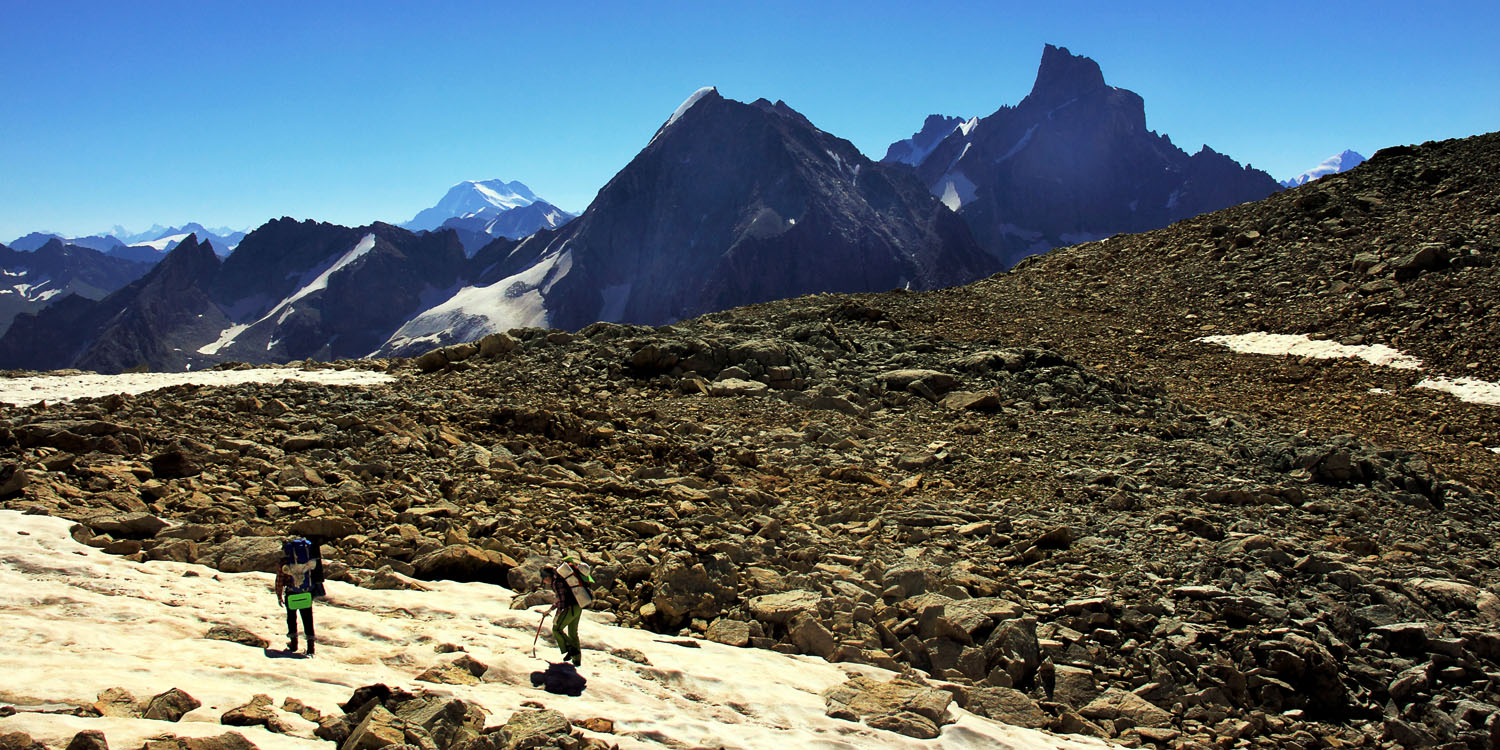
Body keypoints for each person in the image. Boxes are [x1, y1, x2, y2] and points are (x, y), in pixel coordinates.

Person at [541, 559, 593, 666]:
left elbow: (561, 601)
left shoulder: (556, 583)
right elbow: (561, 599)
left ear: (547, 576)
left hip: (570, 608)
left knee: (557, 629)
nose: (543, 581)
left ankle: (571, 650)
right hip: (578, 605)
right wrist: (550, 610)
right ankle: (577, 660)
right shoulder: (562, 580)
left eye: (543, 578)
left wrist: (557, 615)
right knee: (573, 633)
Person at [275, 538, 319, 656]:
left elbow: (279, 579)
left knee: (291, 618)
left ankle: (294, 643)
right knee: (307, 618)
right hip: (306, 592)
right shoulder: (309, 560)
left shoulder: (285, 562)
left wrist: (279, 595)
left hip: (291, 593)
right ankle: (311, 647)